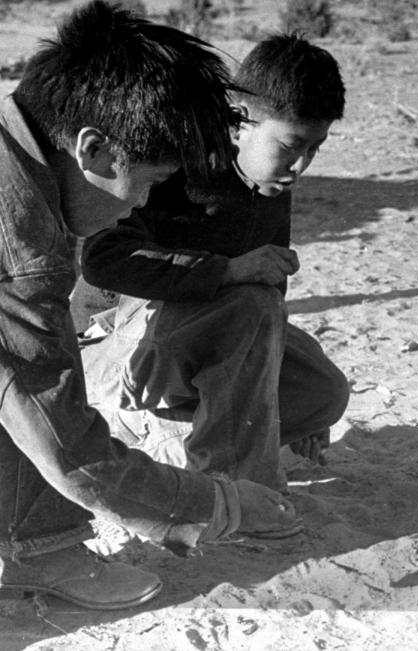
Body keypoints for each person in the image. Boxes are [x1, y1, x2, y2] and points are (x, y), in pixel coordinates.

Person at [0, 2, 300, 611]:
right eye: (145, 181)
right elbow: (68, 445)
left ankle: (35, 547)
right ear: (95, 150)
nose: (137, 205)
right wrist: (219, 505)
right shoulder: (26, 246)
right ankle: (39, 550)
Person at [78, 34, 350, 492]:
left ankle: (180, 441)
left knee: (323, 391)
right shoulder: (172, 162)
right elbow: (101, 261)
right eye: (290, 145)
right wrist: (226, 270)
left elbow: (267, 295)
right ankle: (237, 497)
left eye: (314, 148)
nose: (301, 165)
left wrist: (296, 412)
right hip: (115, 353)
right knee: (251, 305)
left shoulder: (270, 182)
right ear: (239, 124)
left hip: (197, 348)